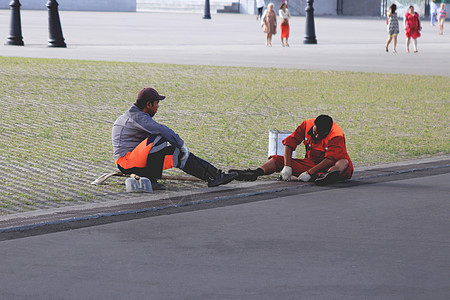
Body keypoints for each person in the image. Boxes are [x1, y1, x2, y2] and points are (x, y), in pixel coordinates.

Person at [112, 87, 237, 190]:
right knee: (159, 138)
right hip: (126, 162)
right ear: (148, 104)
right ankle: (151, 179)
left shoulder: (138, 115)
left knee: (178, 154)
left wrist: (182, 149)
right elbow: (162, 129)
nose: (158, 107)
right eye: (157, 103)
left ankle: (214, 176)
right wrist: (181, 143)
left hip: (136, 159)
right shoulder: (136, 117)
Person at [230, 115, 353, 186]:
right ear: (314, 125)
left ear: (327, 131)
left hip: (330, 164)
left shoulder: (336, 135)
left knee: (342, 163)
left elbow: (329, 159)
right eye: (315, 133)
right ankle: (254, 173)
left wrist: (309, 173)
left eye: (320, 135)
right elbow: (289, 144)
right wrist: (287, 166)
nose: (316, 137)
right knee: (278, 159)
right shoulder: (306, 125)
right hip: (312, 163)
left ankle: (326, 176)